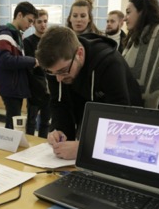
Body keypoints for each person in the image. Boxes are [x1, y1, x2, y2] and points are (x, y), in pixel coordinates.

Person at [36, 26, 143, 160]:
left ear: (79, 53)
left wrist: (85, 147)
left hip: (127, 131)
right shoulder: (57, 68)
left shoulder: (110, 63)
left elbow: (120, 120)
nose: (59, 78)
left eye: (63, 71)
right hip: (88, 119)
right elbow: (59, 103)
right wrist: (58, 132)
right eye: (53, 73)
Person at [0, 1, 39, 129]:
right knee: (12, 122)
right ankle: (8, 147)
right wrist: (31, 61)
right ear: (19, 15)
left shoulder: (16, 35)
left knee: (13, 121)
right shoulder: (5, 34)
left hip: (14, 85)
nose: (30, 25)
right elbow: (4, 60)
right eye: (29, 20)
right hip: (10, 86)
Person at [23, 9, 51, 138]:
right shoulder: (28, 42)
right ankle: (28, 148)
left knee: (45, 122)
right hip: (34, 89)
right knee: (31, 122)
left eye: (45, 21)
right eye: (39, 22)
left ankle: (42, 148)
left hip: (49, 88)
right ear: (33, 23)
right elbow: (30, 67)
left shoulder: (51, 41)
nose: (43, 24)